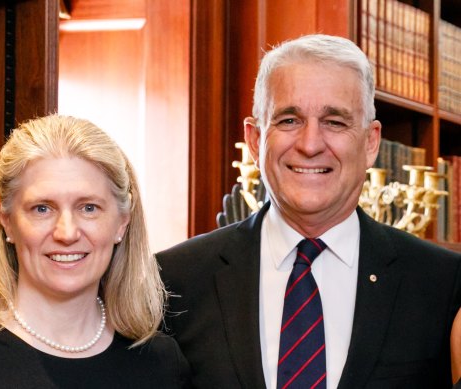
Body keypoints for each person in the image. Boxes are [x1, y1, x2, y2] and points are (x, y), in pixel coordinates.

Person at [156, 34, 461, 388]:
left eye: (335, 122)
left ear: (371, 142)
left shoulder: (442, 284)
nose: (310, 144)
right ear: (255, 140)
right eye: (289, 120)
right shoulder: (174, 280)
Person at [0, 114, 191, 388]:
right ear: (7, 222)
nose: (67, 233)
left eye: (89, 208)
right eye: (42, 208)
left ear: (121, 223)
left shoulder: (161, 363)